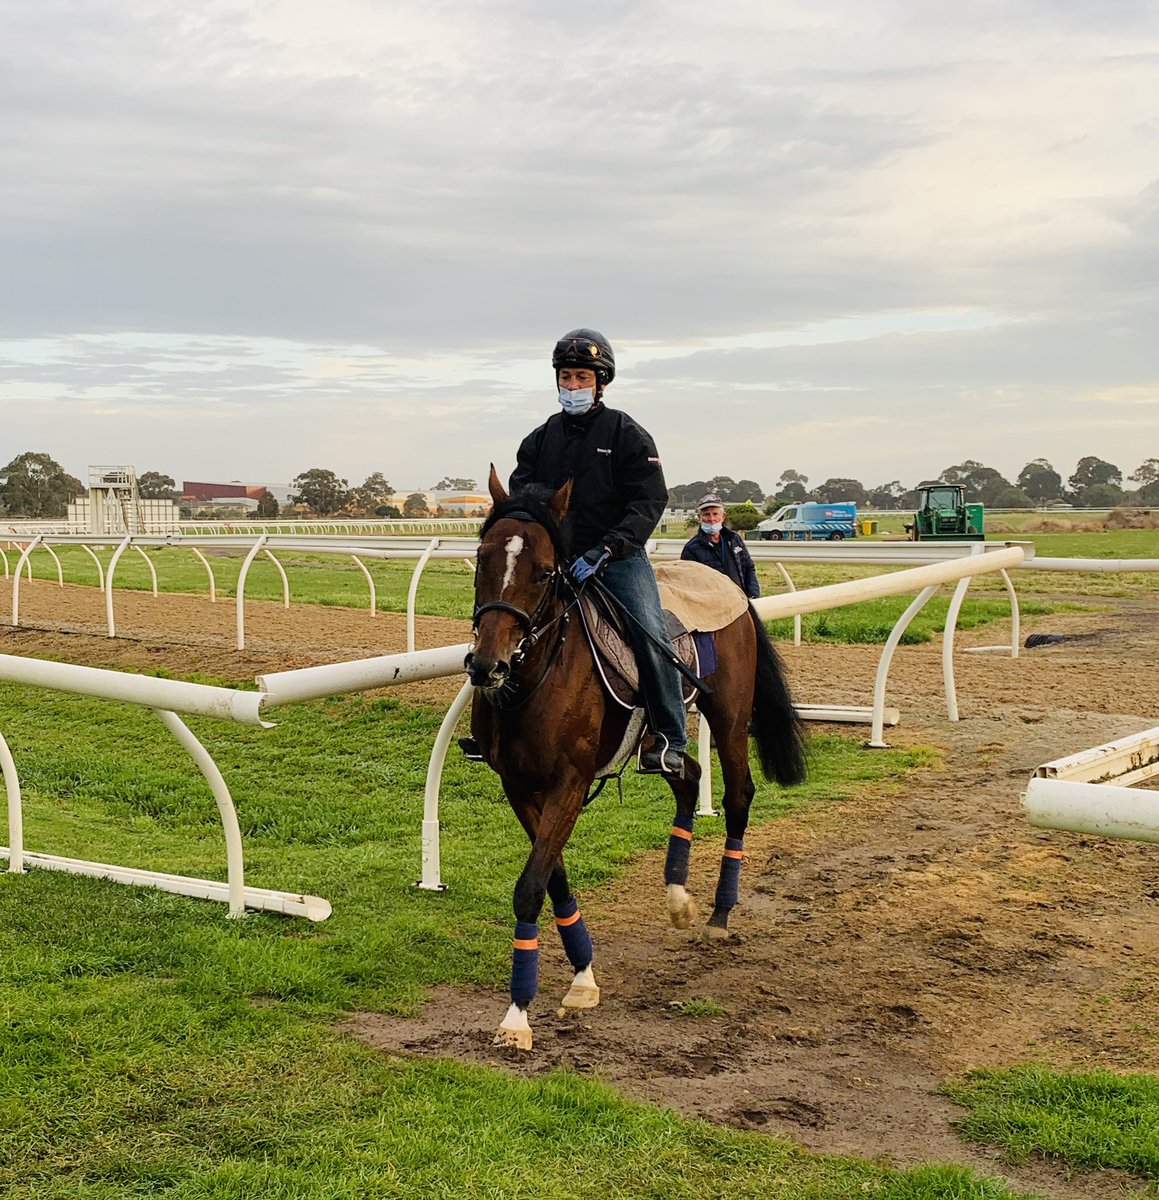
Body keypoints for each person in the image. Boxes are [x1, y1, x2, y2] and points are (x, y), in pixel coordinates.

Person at [508, 328, 687, 776]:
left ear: (600, 381)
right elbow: (521, 499)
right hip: (556, 563)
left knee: (649, 632)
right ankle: (495, 727)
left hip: (617, 559)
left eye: (581, 378)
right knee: (504, 625)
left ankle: (670, 735)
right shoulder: (537, 441)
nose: (572, 387)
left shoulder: (627, 434)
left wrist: (608, 549)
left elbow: (649, 501)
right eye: (566, 378)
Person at [681, 494, 760, 598]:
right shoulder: (691, 549)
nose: (711, 518)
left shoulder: (734, 539)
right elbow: (690, 584)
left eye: (715, 514)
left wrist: (753, 594)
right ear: (699, 517)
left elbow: (748, 567)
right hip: (713, 604)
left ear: (723, 516)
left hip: (740, 600)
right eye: (706, 514)